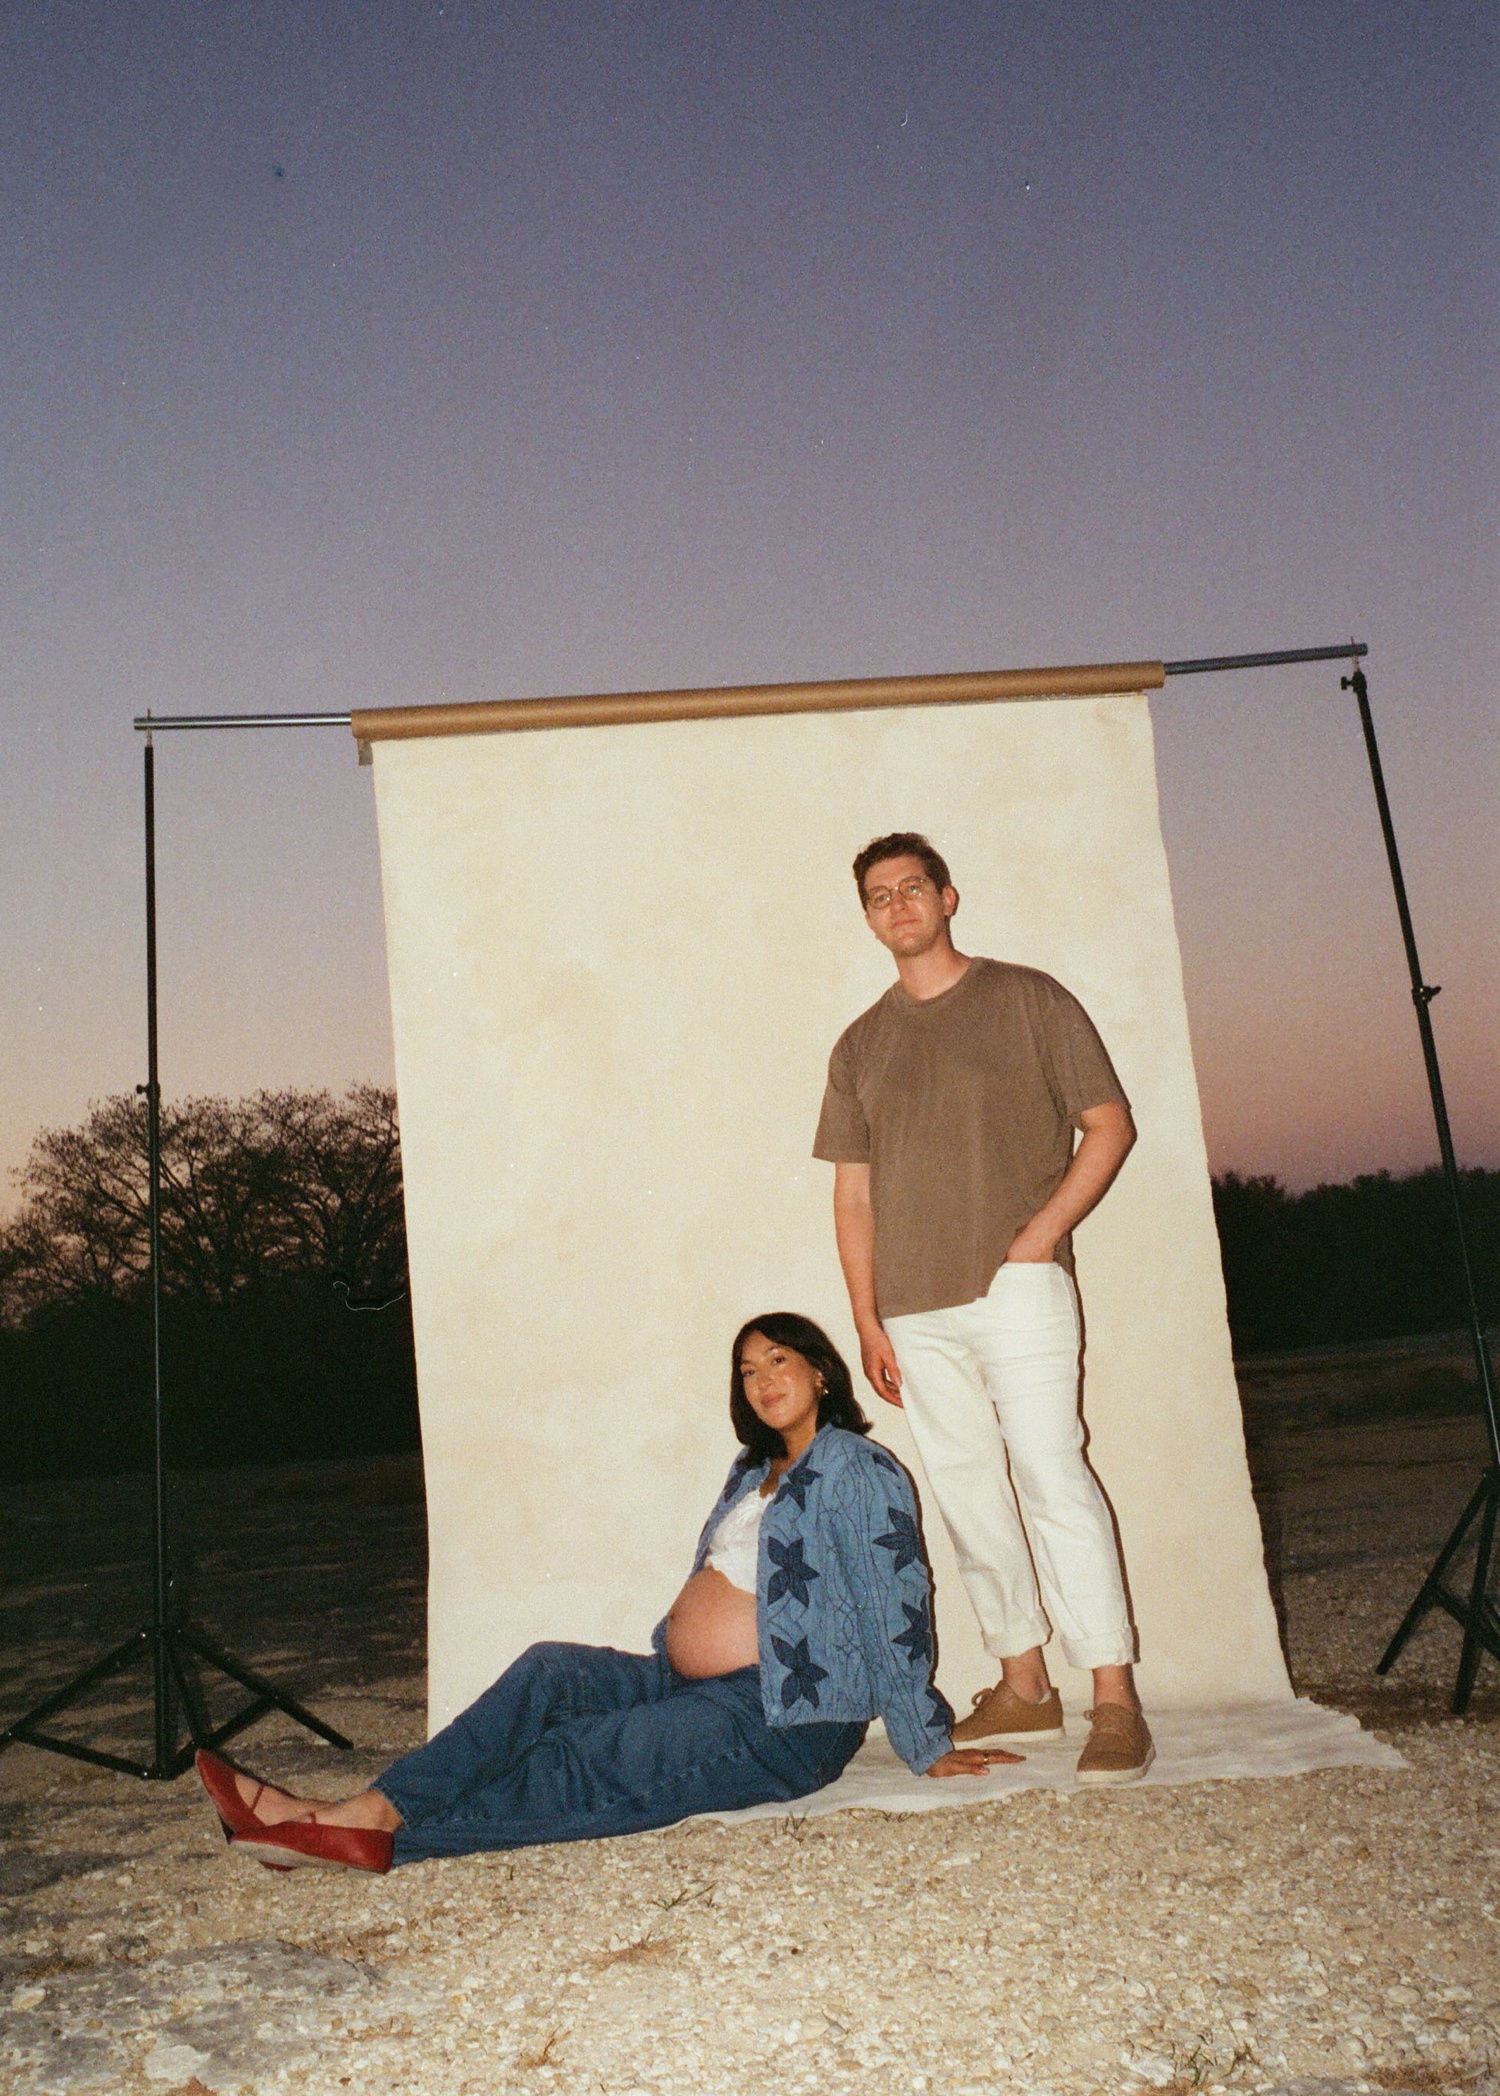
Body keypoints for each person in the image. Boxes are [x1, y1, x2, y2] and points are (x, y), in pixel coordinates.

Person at [197, 1312, 1018, 1874]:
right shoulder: (750, 1471)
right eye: (747, 1369)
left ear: (822, 1373)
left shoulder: (856, 1467)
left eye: (779, 1360)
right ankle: (365, 1809)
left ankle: (368, 1835)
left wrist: (925, 1738)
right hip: (688, 1679)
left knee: (587, 1761)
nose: (763, 1379)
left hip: (786, 1717)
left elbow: (895, 1602)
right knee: (550, 1672)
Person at [813, 832, 1154, 1785]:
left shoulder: (1028, 998)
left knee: (1053, 1476)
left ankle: (1114, 1700)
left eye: (911, 889)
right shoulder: (860, 1045)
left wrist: (1038, 1238)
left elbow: (1109, 1124)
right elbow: (853, 1194)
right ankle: (1023, 1684)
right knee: (967, 1492)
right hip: (913, 1310)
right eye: (878, 897)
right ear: (869, 916)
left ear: (948, 897)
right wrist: (868, 1317)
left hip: (1018, 1288)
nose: (898, 907)